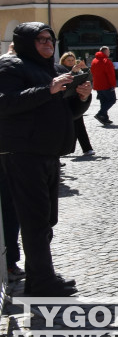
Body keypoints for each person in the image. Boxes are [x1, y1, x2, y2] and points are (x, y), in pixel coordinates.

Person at [0, 22, 93, 296]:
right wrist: (48, 90)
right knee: (35, 220)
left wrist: (82, 98)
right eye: (40, 40)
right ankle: (40, 282)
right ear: (27, 42)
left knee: (46, 220)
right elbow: (5, 103)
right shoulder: (11, 67)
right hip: (22, 153)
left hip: (50, 153)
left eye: (49, 39)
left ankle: (42, 274)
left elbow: (70, 112)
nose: (47, 44)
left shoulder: (56, 70)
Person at [57, 52, 94, 157]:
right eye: (68, 60)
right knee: (69, 126)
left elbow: (89, 79)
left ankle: (86, 148)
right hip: (65, 101)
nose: (71, 62)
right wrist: (72, 73)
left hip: (76, 101)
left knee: (79, 125)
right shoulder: (59, 69)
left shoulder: (78, 70)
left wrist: (86, 69)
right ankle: (69, 149)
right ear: (63, 61)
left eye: (72, 60)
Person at [90, 45, 117, 125]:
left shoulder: (94, 60)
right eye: (108, 51)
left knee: (103, 101)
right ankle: (100, 114)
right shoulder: (106, 61)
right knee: (112, 100)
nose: (109, 53)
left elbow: (92, 72)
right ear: (105, 52)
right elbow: (111, 75)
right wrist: (113, 85)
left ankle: (104, 118)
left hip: (98, 85)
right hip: (106, 85)